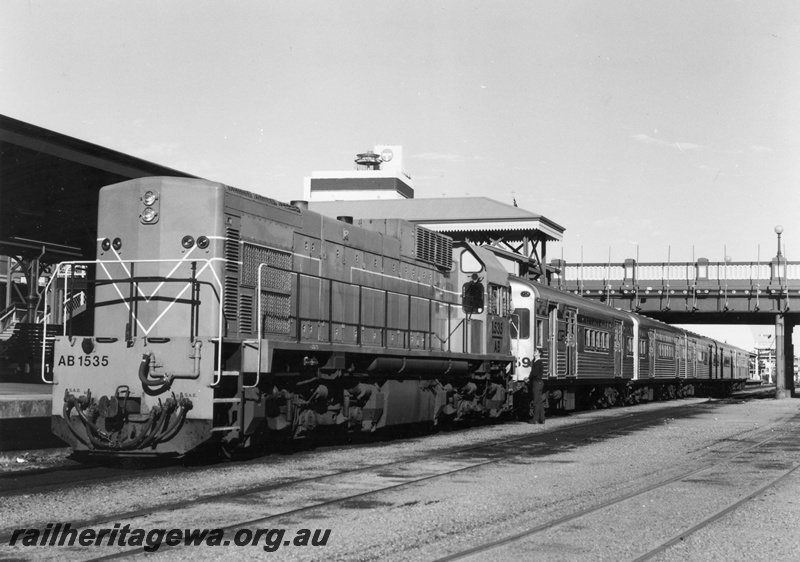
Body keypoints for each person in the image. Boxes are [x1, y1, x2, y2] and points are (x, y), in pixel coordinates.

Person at [528, 349, 545, 424]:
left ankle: (535, 419)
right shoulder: (538, 362)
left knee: (536, 402)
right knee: (539, 401)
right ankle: (542, 419)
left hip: (536, 383)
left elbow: (534, 373)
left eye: (536, 352)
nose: (534, 352)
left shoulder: (538, 362)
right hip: (538, 383)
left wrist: (528, 378)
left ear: (539, 354)